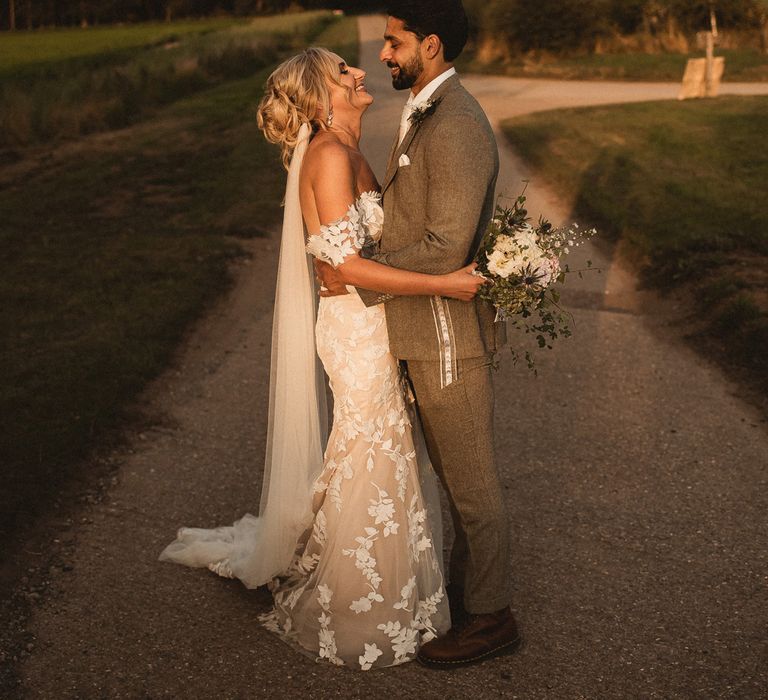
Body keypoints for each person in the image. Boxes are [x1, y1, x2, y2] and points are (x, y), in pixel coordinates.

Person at [159, 46, 486, 670]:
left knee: (381, 446)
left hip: (370, 318)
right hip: (356, 330)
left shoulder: (351, 152)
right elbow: (342, 267)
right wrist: (447, 283)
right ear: (320, 98)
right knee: (371, 448)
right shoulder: (331, 156)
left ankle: (389, 592)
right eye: (344, 71)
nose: (360, 72)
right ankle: (356, 605)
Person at [315, 0, 521, 668]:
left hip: (444, 336)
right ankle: (467, 594)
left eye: (394, 43)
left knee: (474, 487)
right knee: (457, 483)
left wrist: (356, 278)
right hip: (417, 332)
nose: (383, 55)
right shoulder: (430, 108)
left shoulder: (457, 123)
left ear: (429, 46)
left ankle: (492, 619)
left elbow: (445, 246)